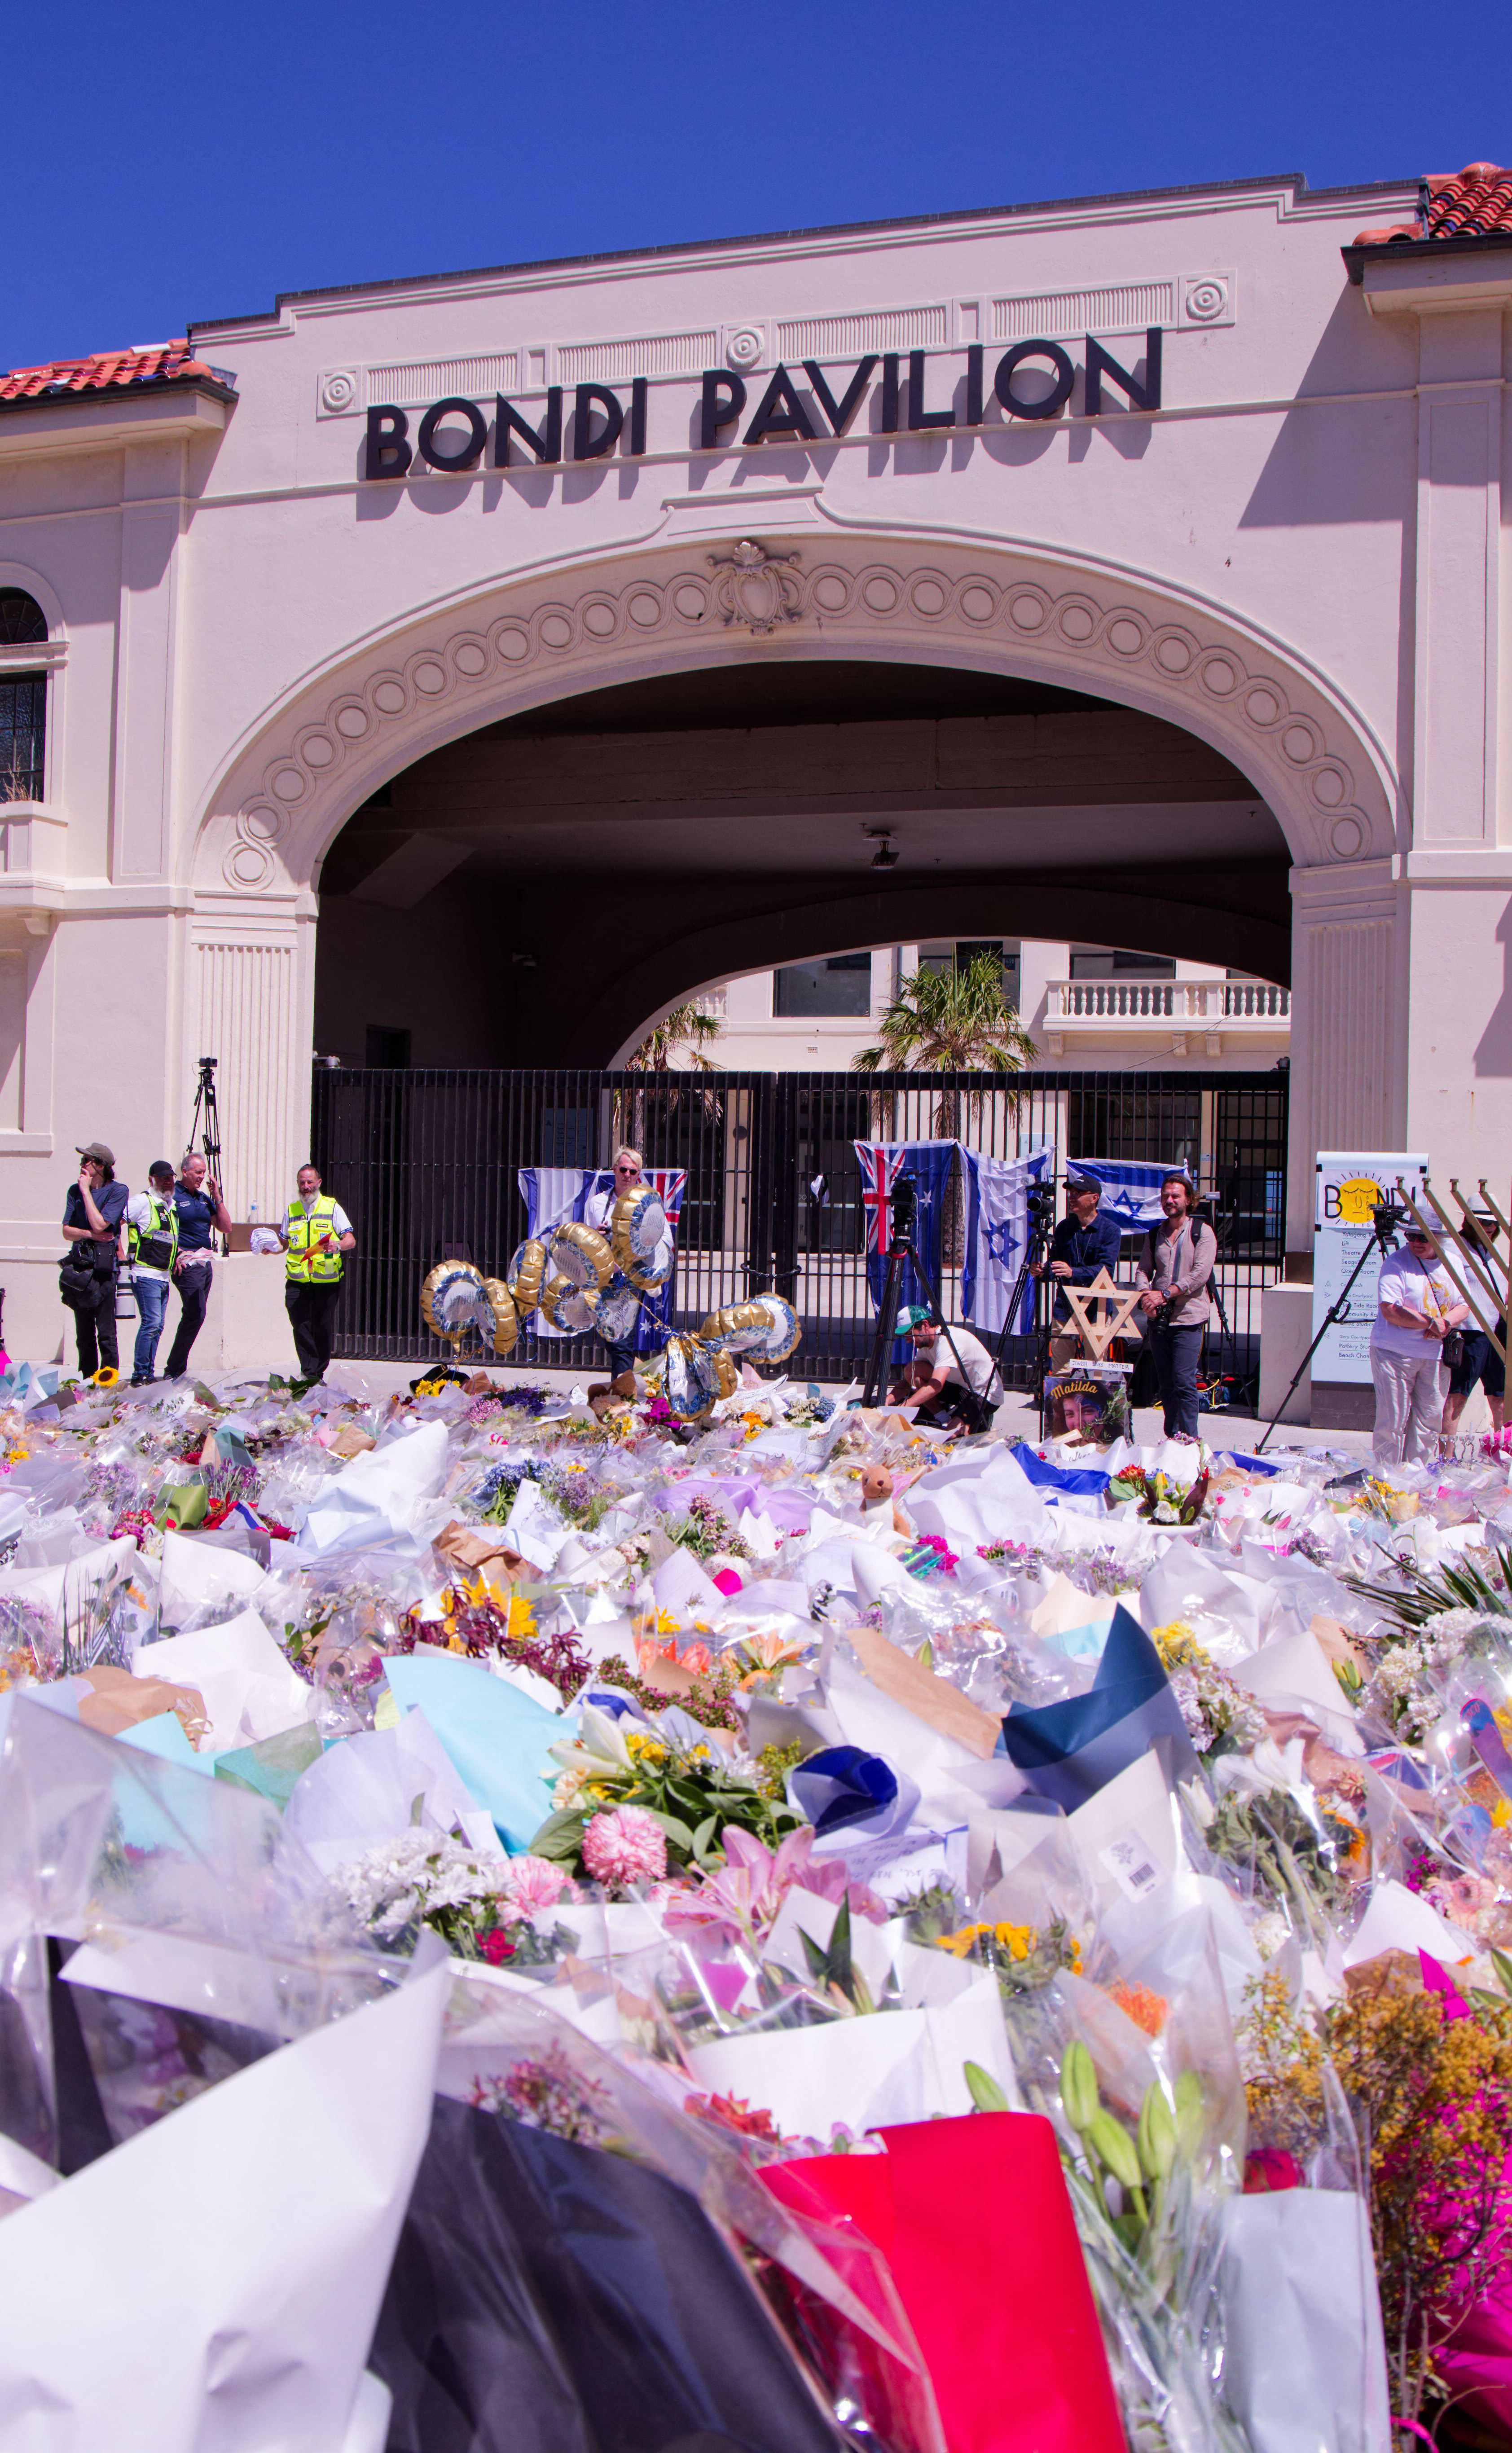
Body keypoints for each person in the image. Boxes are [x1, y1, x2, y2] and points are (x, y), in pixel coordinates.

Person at [1372, 1224, 1469, 1465]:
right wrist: (1431, 1324)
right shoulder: (1396, 1263)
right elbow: (1391, 1311)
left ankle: (1416, 1478)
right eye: (1411, 1236)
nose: (1417, 1242)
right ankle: (1388, 1480)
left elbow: (1464, 1305)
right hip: (1396, 1353)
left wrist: (1444, 1323)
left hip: (1435, 1355)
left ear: (1438, 1238)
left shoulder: (1453, 1262)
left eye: (1424, 1237)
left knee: (1429, 1420)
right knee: (1393, 1420)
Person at [1134, 1172, 1218, 1440]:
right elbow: (1143, 1271)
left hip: (1189, 1319)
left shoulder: (1202, 1233)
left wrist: (1165, 1294)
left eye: (1175, 1196)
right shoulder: (1155, 1234)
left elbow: (1199, 1275)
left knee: (1184, 1382)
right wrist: (1146, 1296)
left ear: (1189, 1200)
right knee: (1167, 1385)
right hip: (1159, 1320)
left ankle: (1190, 1439)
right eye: (1165, 1196)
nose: (1169, 1201)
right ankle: (1172, 1438)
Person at [1033, 1175, 1124, 1367]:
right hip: (1065, 1308)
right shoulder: (1064, 1228)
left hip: (1096, 1309)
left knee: (1096, 1368)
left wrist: (1073, 1272)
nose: (1072, 1197)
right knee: (1060, 1369)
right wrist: (1043, 1271)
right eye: (1071, 1193)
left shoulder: (1110, 1230)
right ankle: (1059, 1398)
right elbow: (1057, 1265)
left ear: (1094, 1198)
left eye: (1079, 1194)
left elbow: (1106, 1271)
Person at [278, 1165, 356, 1385]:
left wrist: (338, 1245)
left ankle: (317, 1373)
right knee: (300, 1325)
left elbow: (351, 1240)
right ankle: (309, 1372)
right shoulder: (292, 1211)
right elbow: (283, 1243)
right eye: (302, 1182)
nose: (306, 1187)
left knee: (322, 1328)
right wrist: (270, 1247)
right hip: (297, 1280)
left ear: (319, 1183)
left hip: (326, 1281)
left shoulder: (332, 1208)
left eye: (310, 1182)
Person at [61, 1141, 129, 1380]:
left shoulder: (118, 1191)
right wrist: (89, 1235)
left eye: (86, 1161)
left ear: (101, 1166)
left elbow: (102, 1224)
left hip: (103, 1269)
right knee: (84, 1334)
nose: (82, 1165)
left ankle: (109, 1381)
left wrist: (87, 1193)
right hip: (80, 1269)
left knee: (106, 1332)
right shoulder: (74, 1191)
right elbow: (67, 1231)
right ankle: (88, 1381)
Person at [163, 1151, 233, 1380]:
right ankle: (174, 1369)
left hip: (204, 1263)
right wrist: (174, 1256)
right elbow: (161, 1228)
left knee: (196, 1314)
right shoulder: (172, 1195)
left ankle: (176, 1367)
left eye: (204, 1172)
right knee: (196, 1311)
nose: (202, 1176)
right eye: (198, 1172)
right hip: (185, 1263)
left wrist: (217, 1197)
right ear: (185, 1172)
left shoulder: (204, 1199)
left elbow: (225, 1227)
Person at [585, 1145, 648, 1390]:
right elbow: (585, 1239)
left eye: (633, 1172)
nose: (627, 1175)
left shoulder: (645, 1205)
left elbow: (656, 1243)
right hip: (602, 1278)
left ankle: (622, 1401)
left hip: (629, 1277)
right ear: (614, 1170)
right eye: (623, 1169)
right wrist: (597, 1236)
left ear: (638, 1175)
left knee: (622, 1339)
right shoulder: (598, 1203)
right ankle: (627, 1384)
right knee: (611, 1338)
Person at [886, 1304, 1002, 1432]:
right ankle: (943, 1418)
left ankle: (973, 1422)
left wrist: (903, 1408)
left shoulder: (946, 1340)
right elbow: (910, 1379)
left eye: (910, 1334)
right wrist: (887, 1401)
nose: (908, 1341)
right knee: (912, 1370)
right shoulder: (926, 1345)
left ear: (925, 1325)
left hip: (983, 1393)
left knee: (952, 1435)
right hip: (960, 1387)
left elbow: (936, 1386)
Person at [124, 1161, 180, 1385]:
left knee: (157, 1326)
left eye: (171, 1178)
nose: (168, 1181)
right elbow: (115, 1222)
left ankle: (148, 1372)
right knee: (151, 1323)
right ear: (152, 1179)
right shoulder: (142, 1201)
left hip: (163, 1277)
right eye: (163, 1177)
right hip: (145, 1274)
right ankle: (140, 1374)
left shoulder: (170, 1206)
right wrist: (121, 1257)